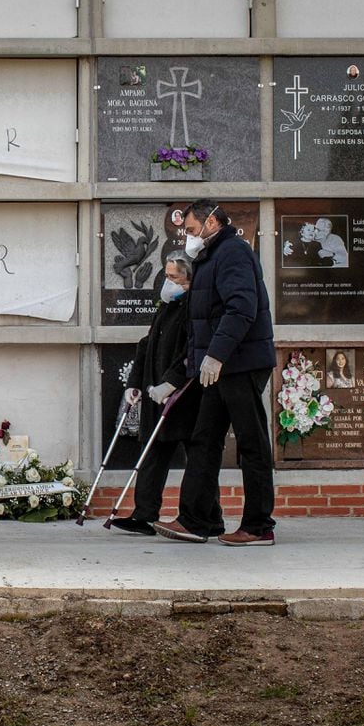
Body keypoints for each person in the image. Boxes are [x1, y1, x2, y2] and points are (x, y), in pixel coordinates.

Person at [154, 200, 278, 547]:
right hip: (218, 366)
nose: (189, 237)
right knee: (204, 440)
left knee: (251, 443)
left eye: (192, 230)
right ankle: (198, 519)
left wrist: (217, 356)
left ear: (211, 222)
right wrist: (186, 372)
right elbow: (203, 322)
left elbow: (241, 307)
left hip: (240, 363)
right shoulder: (209, 257)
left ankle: (258, 525)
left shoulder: (233, 252)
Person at [111, 252, 207, 534]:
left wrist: (172, 382)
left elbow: (193, 349)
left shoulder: (194, 307)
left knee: (199, 456)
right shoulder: (167, 305)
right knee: (152, 452)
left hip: (184, 395)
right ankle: (144, 514)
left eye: (173, 277)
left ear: (188, 278)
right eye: (166, 276)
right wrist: (135, 382)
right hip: (155, 392)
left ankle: (206, 514)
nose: (167, 282)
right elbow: (147, 344)